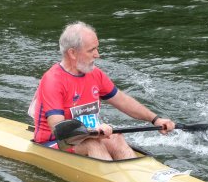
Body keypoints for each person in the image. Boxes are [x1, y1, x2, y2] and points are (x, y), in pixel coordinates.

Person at [29, 22, 176, 160]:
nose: (97, 54)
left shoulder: (95, 74)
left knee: (116, 138)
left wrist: (155, 119)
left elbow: (123, 101)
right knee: (93, 144)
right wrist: (93, 131)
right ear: (72, 53)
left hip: (87, 136)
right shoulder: (53, 80)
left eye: (96, 48)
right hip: (53, 143)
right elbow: (59, 129)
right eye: (91, 50)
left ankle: (139, 175)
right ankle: (114, 177)